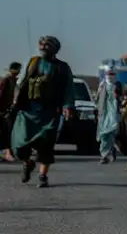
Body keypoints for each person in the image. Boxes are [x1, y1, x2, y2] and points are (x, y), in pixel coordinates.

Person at [10, 37, 75, 187]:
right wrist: (15, 100)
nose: (44, 47)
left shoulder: (62, 67)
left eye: (47, 45)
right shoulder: (33, 62)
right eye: (42, 44)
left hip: (50, 111)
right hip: (29, 110)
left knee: (46, 143)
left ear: (55, 48)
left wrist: (68, 106)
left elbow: (68, 89)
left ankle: (42, 175)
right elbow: (21, 83)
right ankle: (28, 163)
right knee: (20, 145)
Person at [95, 67, 122, 164]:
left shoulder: (118, 85)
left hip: (114, 113)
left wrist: (117, 95)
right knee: (103, 135)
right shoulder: (102, 85)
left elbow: (121, 98)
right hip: (104, 113)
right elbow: (97, 99)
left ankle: (107, 153)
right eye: (108, 74)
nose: (110, 76)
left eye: (112, 74)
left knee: (111, 133)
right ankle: (104, 154)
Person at [0, 61, 22, 162]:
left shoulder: (13, 80)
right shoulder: (6, 80)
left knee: (8, 132)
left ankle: (8, 152)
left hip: (8, 110)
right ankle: (6, 153)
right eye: (18, 70)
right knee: (5, 132)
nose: (19, 72)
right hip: (3, 111)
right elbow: (1, 95)